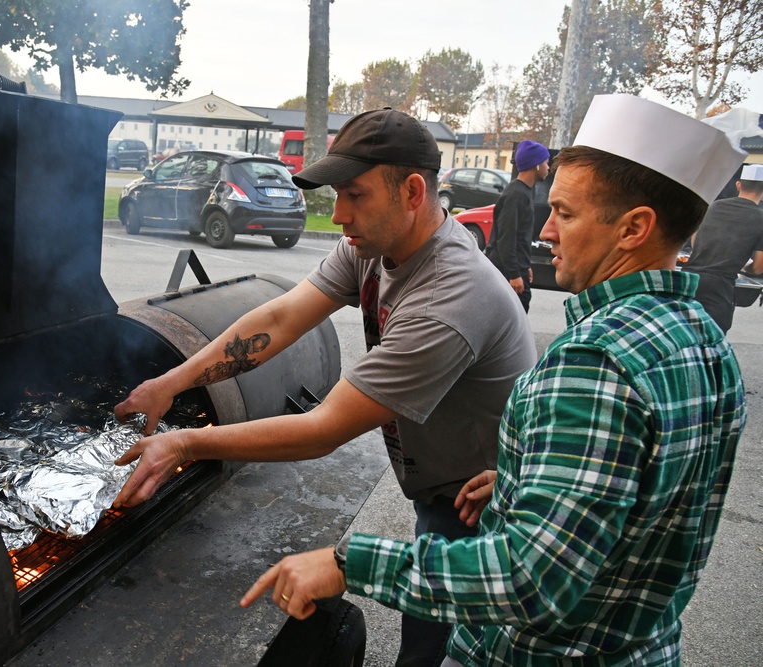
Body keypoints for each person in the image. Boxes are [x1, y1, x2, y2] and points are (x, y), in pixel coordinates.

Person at [241, 94, 747, 667]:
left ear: (634, 228)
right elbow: (643, 495)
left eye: (566, 213)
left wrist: (347, 563)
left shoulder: (594, 362)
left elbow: (532, 579)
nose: (548, 232)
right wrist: (525, 475)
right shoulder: (705, 342)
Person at [112, 108, 537, 667]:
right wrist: (172, 381)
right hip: (442, 489)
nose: (338, 215)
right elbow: (284, 317)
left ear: (412, 191)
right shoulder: (376, 245)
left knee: (446, 653)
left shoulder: (451, 294)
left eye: (354, 195)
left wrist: (186, 443)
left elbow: (322, 430)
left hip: (485, 506)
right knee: (425, 638)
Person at [683, 163, 763, 333]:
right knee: (712, 341)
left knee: (683, 336)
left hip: (688, 280)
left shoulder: (712, 207)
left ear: (738, 185)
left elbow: (694, 243)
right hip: (719, 288)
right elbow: (758, 267)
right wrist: (743, 267)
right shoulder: (761, 218)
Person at [484, 139, 550, 312]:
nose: (548, 167)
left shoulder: (524, 191)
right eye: (546, 162)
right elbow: (506, 237)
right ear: (536, 165)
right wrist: (514, 274)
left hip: (516, 268)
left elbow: (521, 236)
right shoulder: (516, 194)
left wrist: (525, 266)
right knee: (512, 320)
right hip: (506, 271)